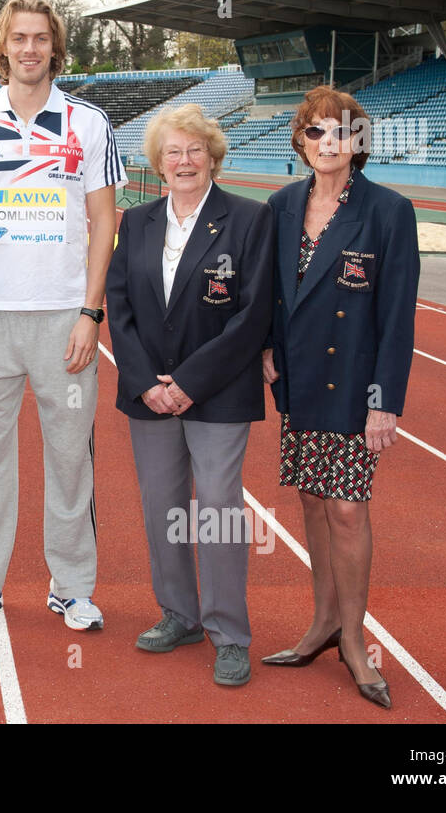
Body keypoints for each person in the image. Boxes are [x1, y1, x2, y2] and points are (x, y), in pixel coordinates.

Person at [0, 0, 123, 631]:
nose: (30, 49)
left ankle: (72, 587)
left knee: (71, 459)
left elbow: (104, 221)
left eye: (41, 38)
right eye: (19, 38)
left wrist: (89, 313)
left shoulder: (89, 123)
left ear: (55, 47)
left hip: (62, 321)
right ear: (2, 46)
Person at [260, 85, 419, 710]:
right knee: (313, 503)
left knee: (348, 509)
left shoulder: (387, 211)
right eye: (317, 131)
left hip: (355, 382)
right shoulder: (280, 205)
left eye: (343, 131)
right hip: (300, 382)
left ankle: (354, 639)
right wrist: (268, 348)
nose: (330, 143)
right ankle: (323, 621)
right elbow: (271, 292)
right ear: (300, 142)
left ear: (360, 142)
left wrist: (386, 402)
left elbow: (396, 315)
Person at [105, 103, 273, 687]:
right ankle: (179, 614)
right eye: (172, 152)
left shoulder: (250, 220)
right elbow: (119, 306)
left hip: (219, 393)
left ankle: (229, 633)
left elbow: (253, 316)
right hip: (148, 394)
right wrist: (147, 381)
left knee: (221, 511)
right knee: (163, 509)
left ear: (213, 158)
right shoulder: (139, 221)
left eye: (194, 150)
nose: (183, 161)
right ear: (157, 162)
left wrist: (191, 382)